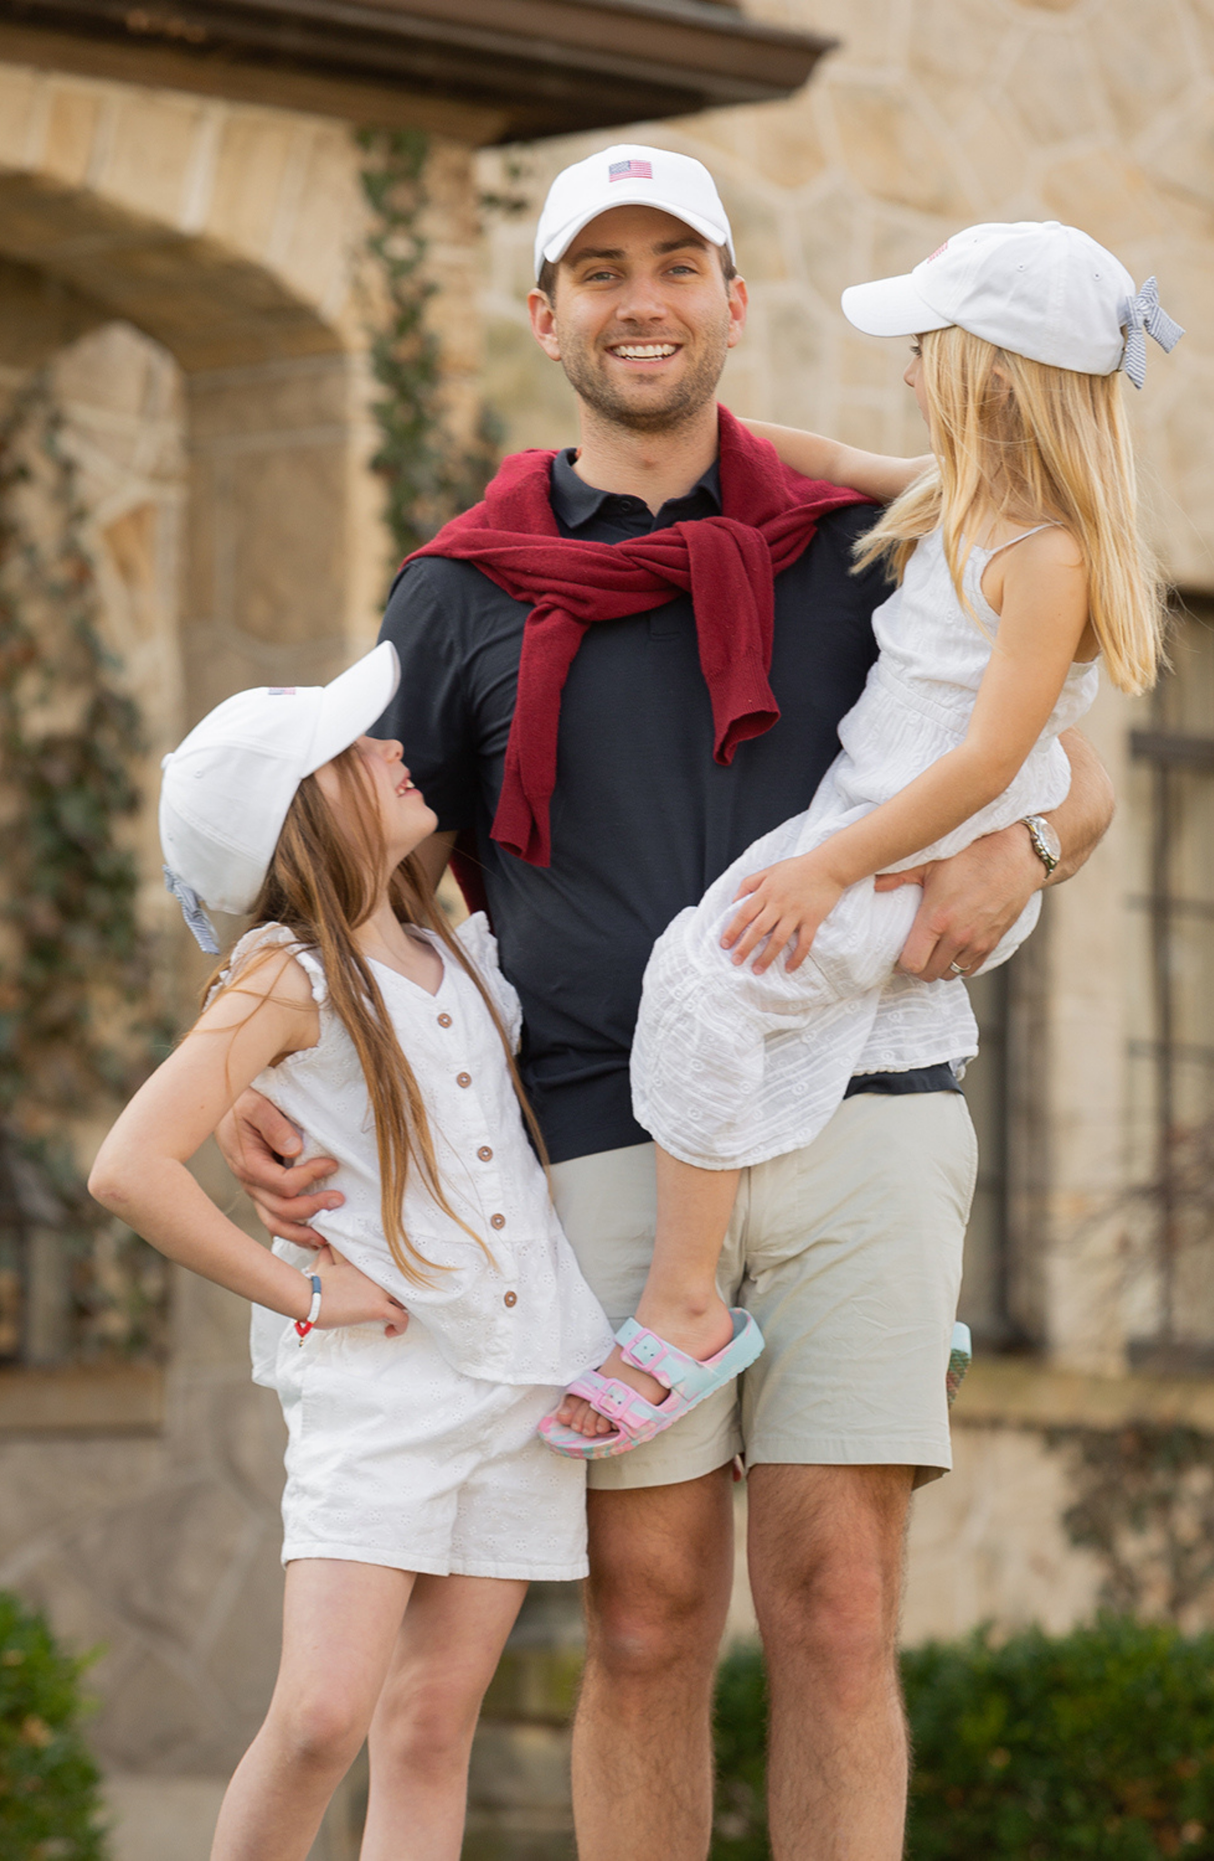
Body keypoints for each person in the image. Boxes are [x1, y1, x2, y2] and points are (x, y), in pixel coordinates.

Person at [218, 148, 1116, 1861]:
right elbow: (349, 847)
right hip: (600, 1129)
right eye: (601, 271)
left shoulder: (862, 538)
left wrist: (1029, 853)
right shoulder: (460, 587)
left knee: (839, 1606)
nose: (642, 302)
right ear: (543, 314)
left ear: (732, 300)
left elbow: (1061, 755)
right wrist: (256, 1054)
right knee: (641, 1614)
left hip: (867, 1101)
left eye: (676, 264)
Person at [547, 219, 1179, 1455]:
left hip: (906, 849)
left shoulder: (1044, 556)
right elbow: (831, 458)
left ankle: (681, 1309)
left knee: (709, 983)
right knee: (809, 1010)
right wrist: (687, 434)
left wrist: (833, 865)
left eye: (923, 350)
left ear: (990, 377)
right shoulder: (954, 495)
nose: (904, 368)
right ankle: (909, 1311)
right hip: (858, 826)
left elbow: (991, 758)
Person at [88, 643, 614, 1861]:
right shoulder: (288, 978)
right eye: (349, 749)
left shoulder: (454, 948)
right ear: (299, 815)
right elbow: (128, 1165)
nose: (390, 747)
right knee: (322, 1715)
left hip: (519, 1375)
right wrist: (304, 1293)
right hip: (385, 1388)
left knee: (429, 1726)